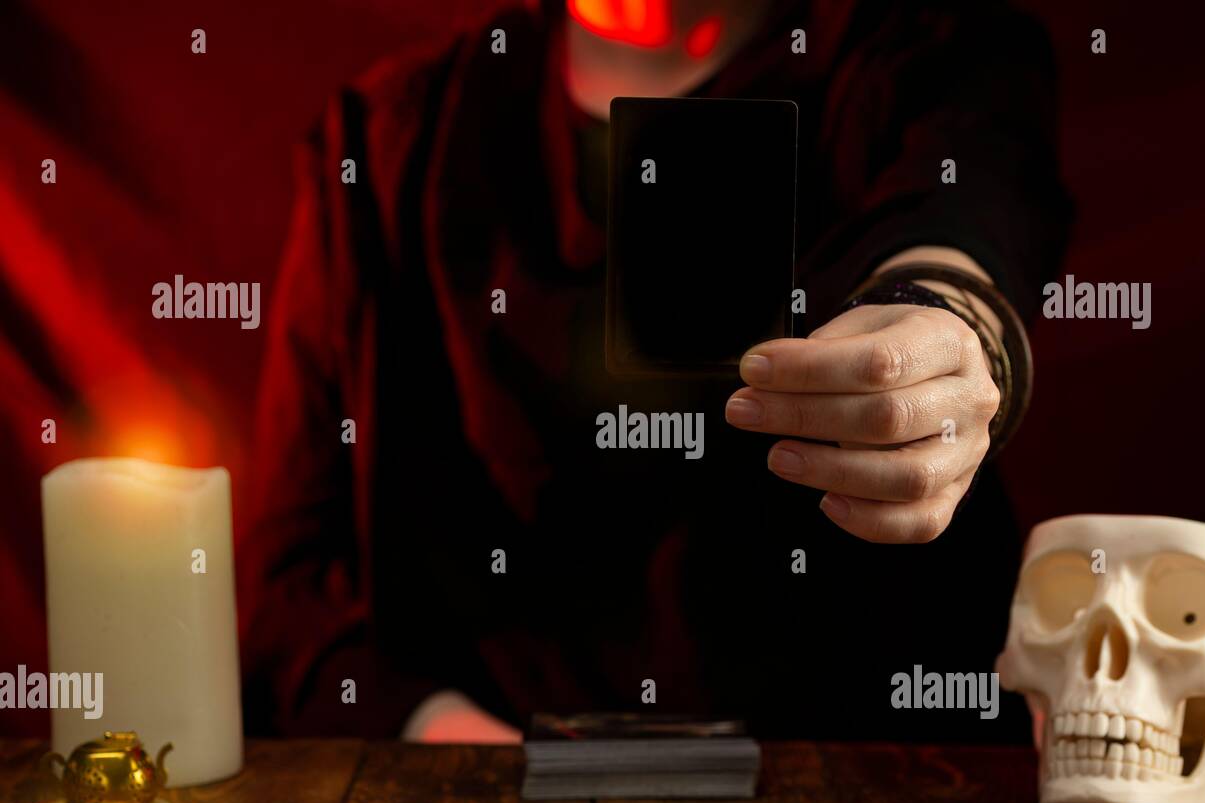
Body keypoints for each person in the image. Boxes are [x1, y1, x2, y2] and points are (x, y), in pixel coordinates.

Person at [239, 0, 1071, 744]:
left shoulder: (929, 61)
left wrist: (947, 323)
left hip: (879, 791)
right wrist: (472, 757)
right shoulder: (387, 140)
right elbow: (290, 585)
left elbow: (964, 214)